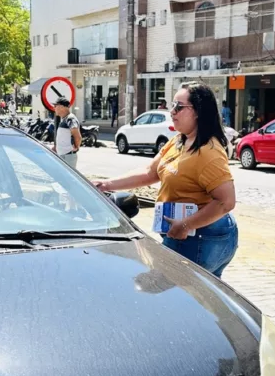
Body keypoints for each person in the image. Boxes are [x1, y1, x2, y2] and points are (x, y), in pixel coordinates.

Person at [94, 83, 238, 278]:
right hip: (182, 232)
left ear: (197, 111)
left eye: (179, 107)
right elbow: (150, 172)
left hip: (199, 235)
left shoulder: (208, 152)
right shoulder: (179, 140)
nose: (172, 111)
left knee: (171, 293)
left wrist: (187, 224)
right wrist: (107, 185)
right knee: (194, 298)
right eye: (172, 105)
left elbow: (226, 201)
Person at [52, 98, 82, 169]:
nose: (54, 108)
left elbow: (77, 136)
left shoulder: (70, 119)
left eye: (55, 105)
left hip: (67, 156)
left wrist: (76, 147)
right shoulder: (65, 119)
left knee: (68, 179)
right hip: (64, 156)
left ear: (62, 107)